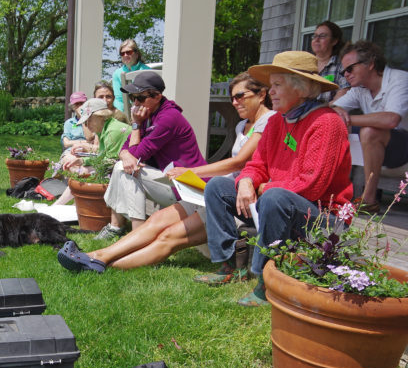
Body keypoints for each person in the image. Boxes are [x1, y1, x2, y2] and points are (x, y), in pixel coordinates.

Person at [57, 73, 276, 272]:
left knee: (168, 237)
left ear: (262, 94)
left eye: (240, 96)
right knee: (157, 220)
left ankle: (101, 263)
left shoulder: (268, 121)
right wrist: (135, 128)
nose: (235, 102)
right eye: (232, 97)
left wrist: (190, 171)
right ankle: (95, 257)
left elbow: (238, 163)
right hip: (214, 191)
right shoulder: (243, 125)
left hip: (224, 197)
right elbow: (129, 151)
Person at [196, 51, 352, 306]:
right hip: (276, 203)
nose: (271, 92)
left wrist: (264, 186)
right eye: (272, 85)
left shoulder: (326, 123)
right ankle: (229, 266)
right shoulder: (277, 122)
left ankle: (265, 283)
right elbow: (257, 163)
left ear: (301, 88)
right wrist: (246, 180)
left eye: (278, 85)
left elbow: (312, 185)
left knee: (274, 196)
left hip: (325, 218)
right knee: (217, 186)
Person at [96, 71, 206, 240]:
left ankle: (138, 235)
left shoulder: (168, 118)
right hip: (169, 179)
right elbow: (126, 150)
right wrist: (125, 153)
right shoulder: (150, 114)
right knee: (123, 167)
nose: (136, 103)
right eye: (133, 98)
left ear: (157, 96)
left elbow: (136, 155)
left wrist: (135, 125)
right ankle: (118, 227)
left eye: (141, 98)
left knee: (125, 169)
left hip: (185, 188)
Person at [330, 40, 408, 213]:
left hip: (404, 145)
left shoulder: (400, 79)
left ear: (370, 64)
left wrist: (348, 118)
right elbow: (329, 110)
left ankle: (369, 200)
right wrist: (336, 110)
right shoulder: (360, 89)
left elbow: (391, 120)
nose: (346, 75)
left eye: (350, 69)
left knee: (369, 131)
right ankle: (331, 191)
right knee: (335, 126)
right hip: (386, 147)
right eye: (343, 72)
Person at [52, 98, 131, 206]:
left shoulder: (113, 131)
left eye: (89, 120)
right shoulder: (105, 128)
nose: (87, 126)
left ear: (101, 116)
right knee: (81, 171)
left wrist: (83, 164)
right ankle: (63, 205)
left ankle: (61, 206)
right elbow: (103, 156)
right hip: (119, 170)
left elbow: (109, 162)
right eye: (85, 122)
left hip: (126, 174)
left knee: (82, 172)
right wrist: (81, 160)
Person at [310, 21, 349, 103]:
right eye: (315, 36)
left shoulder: (341, 65)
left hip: (328, 113)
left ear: (334, 41)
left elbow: (342, 96)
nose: (316, 40)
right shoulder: (305, 64)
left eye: (322, 36)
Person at [111, 39, 150, 112]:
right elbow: (119, 99)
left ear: (137, 54)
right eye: (122, 53)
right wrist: (123, 118)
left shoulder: (147, 71)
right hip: (125, 114)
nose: (125, 55)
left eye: (128, 52)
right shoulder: (117, 73)